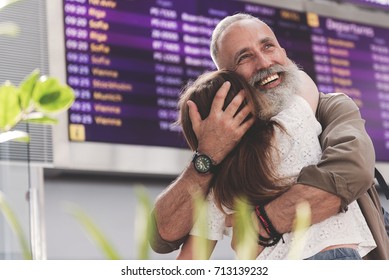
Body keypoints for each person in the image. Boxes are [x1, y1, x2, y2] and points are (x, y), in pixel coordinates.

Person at [150, 13, 389, 259]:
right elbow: (161, 236)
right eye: (244, 57)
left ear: (283, 52)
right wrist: (209, 154)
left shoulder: (328, 108)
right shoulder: (296, 117)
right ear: (229, 79)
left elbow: (353, 172)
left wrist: (259, 226)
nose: (264, 63)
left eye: (268, 46)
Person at [174, 68, 376, 260]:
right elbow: (302, 79)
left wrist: (209, 148)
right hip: (332, 256)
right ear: (250, 103)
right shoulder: (290, 125)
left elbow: (190, 259)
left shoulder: (218, 187)